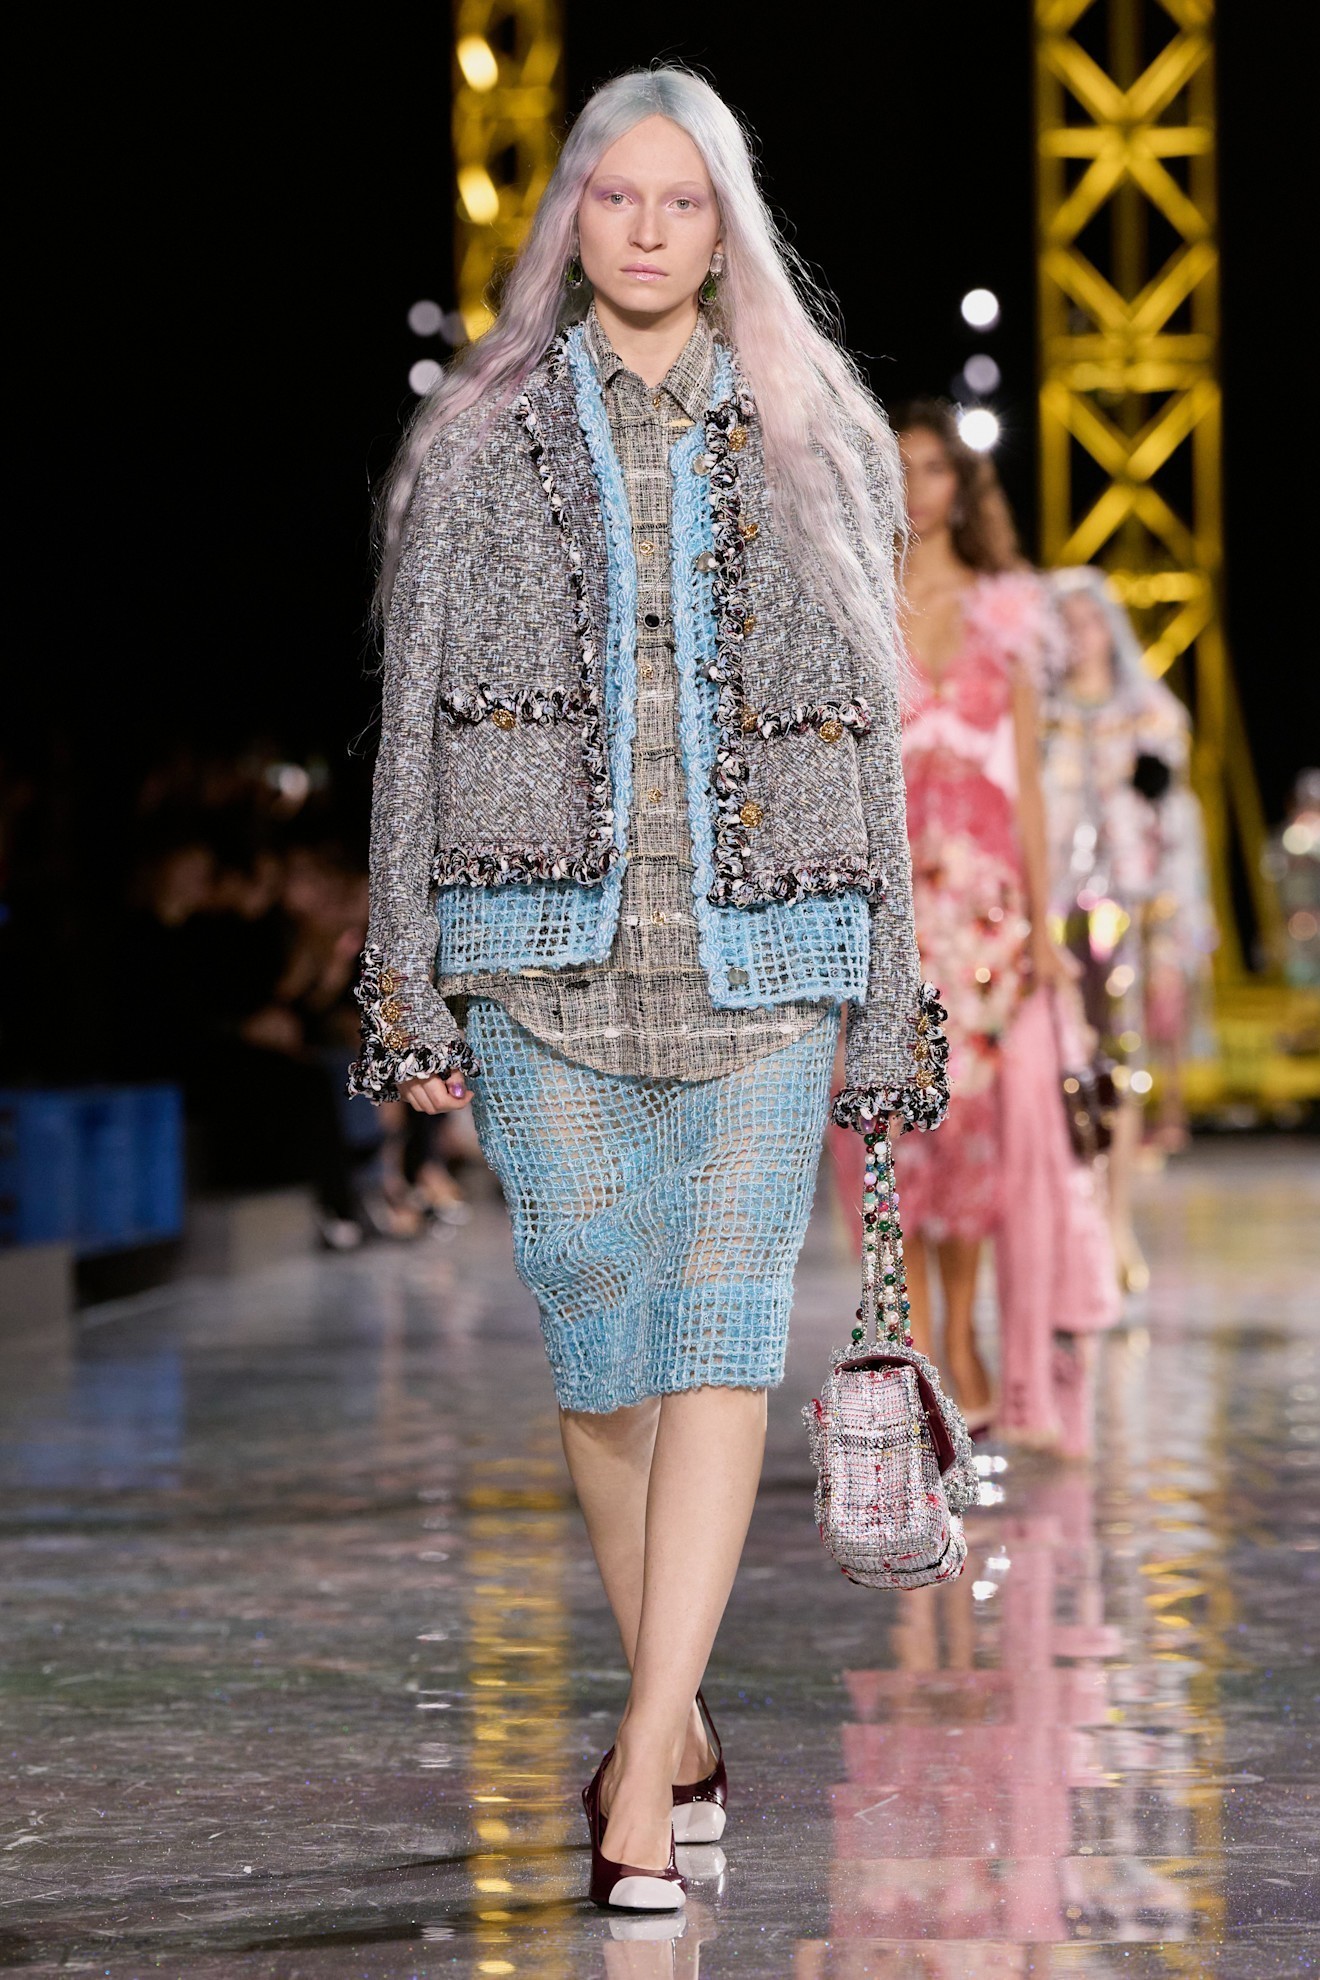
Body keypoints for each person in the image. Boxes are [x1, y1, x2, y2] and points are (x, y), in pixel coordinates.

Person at [348, 67, 947, 1911]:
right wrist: (403, 983)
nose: (648, 229)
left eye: (684, 200)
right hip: (537, 951)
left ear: (726, 226)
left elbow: (877, 742)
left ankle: (636, 1785)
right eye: (617, 195)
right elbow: (410, 728)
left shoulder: (820, 434)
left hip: (776, 954)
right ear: (573, 218)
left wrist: (894, 994)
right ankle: (668, 1729)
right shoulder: (479, 440)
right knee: (603, 1350)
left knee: (721, 1337)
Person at [882, 402, 1066, 1434]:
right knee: (895, 1123)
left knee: (970, 1126)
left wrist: (1046, 923)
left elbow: (1029, 783)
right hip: (890, 908)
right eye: (902, 466)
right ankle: (914, 1343)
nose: (919, 486)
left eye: (935, 467)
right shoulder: (861, 597)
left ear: (962, 484)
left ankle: (962, 1328)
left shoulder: (1008, 608)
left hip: (984, 911)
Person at [1042, 567, 1216, 1281]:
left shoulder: (1151, 717)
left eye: (1089, 620)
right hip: (1049, 915)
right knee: (1054, 1065)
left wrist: (1175, 930)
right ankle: (1067, 1225)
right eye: (1065, 623)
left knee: (1122, 1062)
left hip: (1125, 913)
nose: (1077, 636)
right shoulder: (1038, 715)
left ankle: (1114, 1226)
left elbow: (1174, 829)